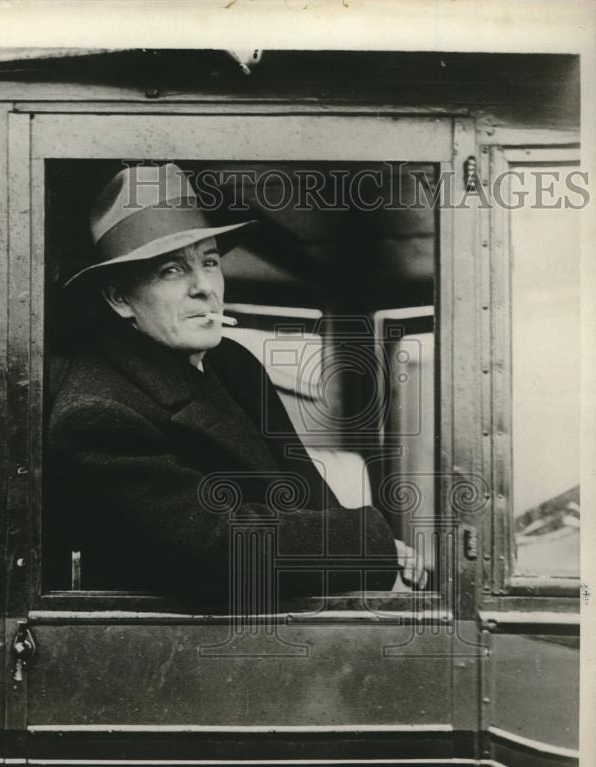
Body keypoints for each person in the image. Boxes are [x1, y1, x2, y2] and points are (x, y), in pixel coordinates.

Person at [46, 163, 423, 605]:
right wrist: (364, 547)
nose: (205, 287)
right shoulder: (96, 414)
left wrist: (372, 562)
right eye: (171, 270)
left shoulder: (232, 362)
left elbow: (307, 492)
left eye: (209, 262)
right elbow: (212, 549)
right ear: (120, 298)